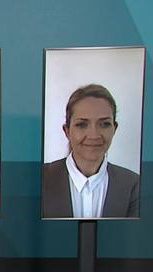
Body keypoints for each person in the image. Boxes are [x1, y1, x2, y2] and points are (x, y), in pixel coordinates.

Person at [42, 84, 139, 218]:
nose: (94, 135)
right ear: (67, 131)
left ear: (114, 129)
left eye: (104, 124)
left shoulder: (133, 185)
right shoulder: (39, 180)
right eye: (82, 124)